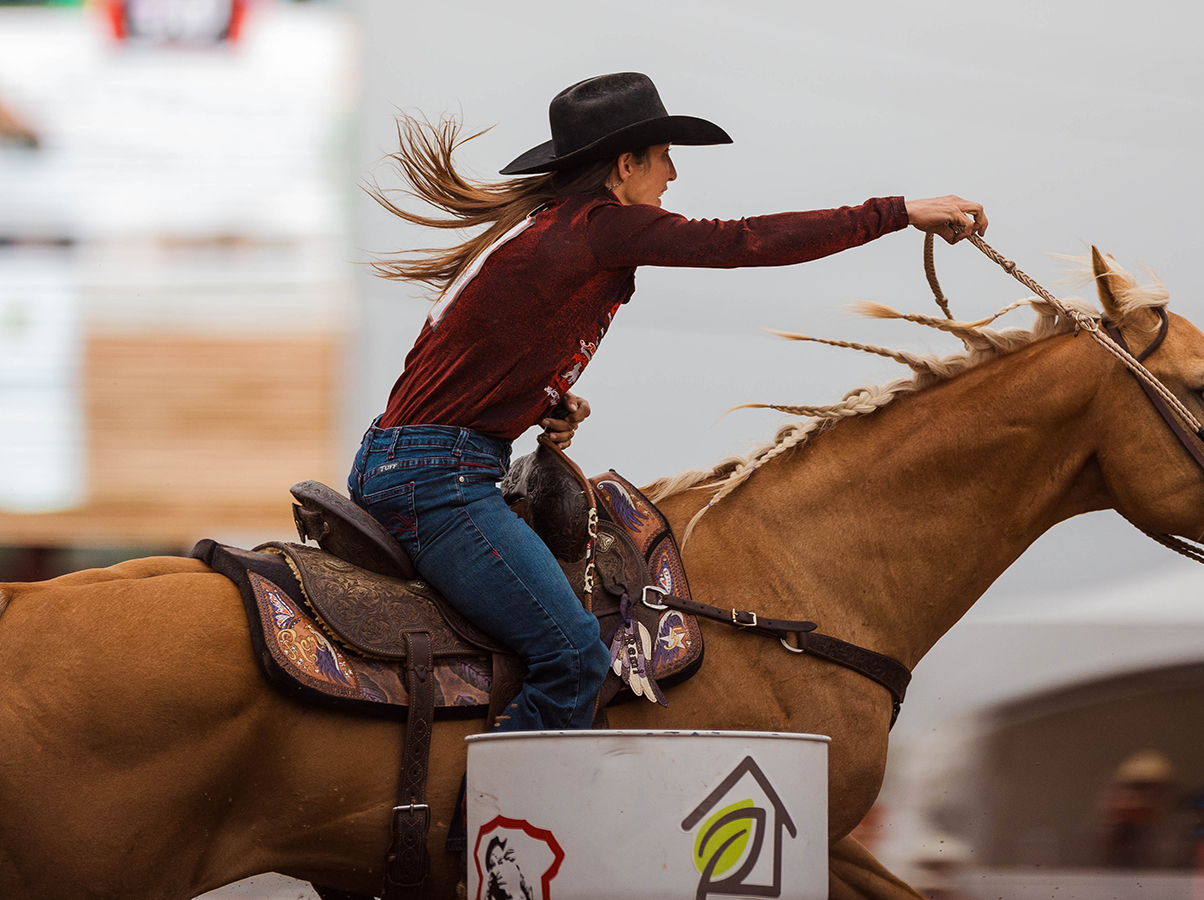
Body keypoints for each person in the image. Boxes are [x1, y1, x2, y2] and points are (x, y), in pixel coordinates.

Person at [350, 72, 987, 733]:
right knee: (573, 657)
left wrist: (540, 400)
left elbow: (454, 366)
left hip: (412, 459)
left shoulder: (545, 233)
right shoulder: (601, 228)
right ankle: (483, 835)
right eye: (663, 157)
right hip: (441, 480)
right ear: (625, 167)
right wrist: (897, 212)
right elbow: (740, 240)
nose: (674, 174)